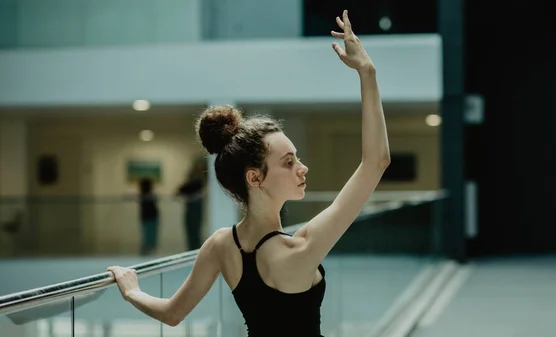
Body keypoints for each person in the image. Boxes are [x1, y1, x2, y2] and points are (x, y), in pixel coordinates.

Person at [107, 10, 390, 336]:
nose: (302, 167)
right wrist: (367, 73)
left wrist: (132, 292)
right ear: (254, 178)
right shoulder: (300, 248)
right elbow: (376, 162)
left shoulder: (221, 245)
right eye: (288, 162)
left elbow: (172, 314)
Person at [175, 156, 207, 250]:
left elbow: (182, 189)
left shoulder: (201, 179)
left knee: (194, 230)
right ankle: (193, 249)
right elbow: (181, 190)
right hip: (191, 207)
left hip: (195, 207)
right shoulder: (196, 178)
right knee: (191, 230)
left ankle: (195, 250)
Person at [138, 178, 159, 256]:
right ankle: (146, 249)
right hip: (146, 217)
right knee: (146, 234)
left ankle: (150, 249)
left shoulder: (152, 195)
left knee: (151, 234)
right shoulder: (141, 195)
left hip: (152, 217)